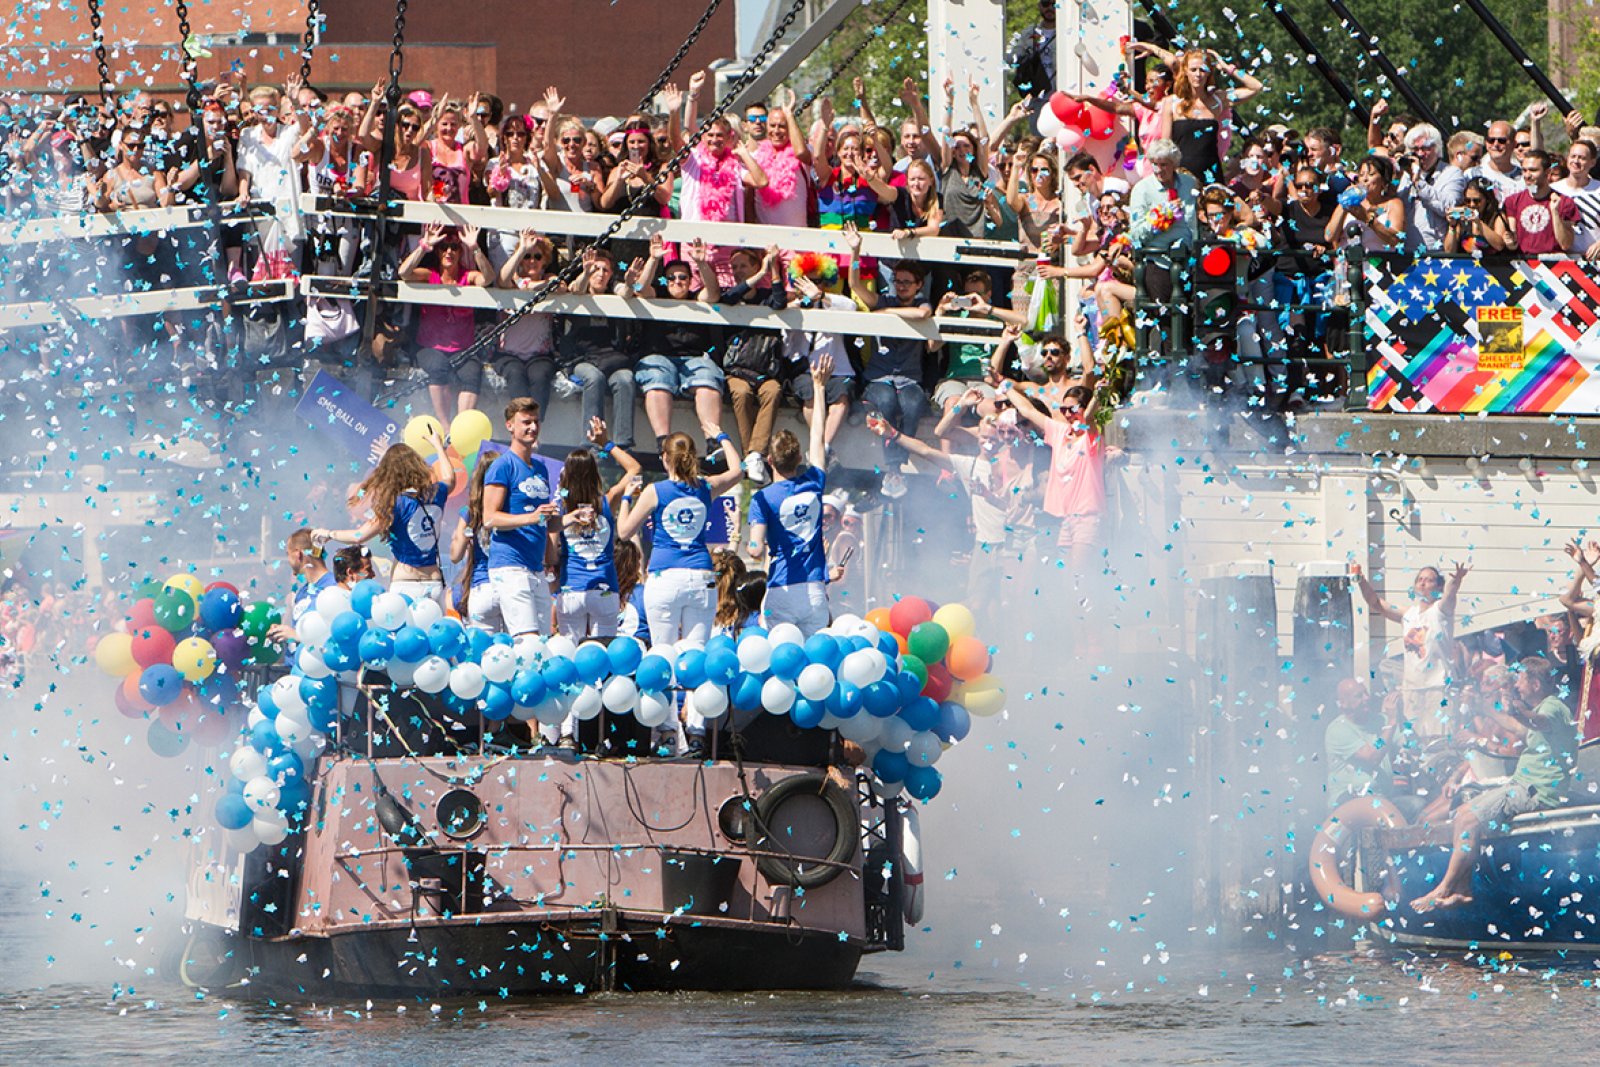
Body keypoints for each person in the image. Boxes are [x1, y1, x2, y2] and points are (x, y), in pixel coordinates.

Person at [1410, 657, 1576, 911]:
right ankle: (1463, 889)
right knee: (1463, 813)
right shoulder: (1546, 707)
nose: (1517, 686)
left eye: (1520, 681)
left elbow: (1535, 721)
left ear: (1534, 683)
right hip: (1522, 785)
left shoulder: (1552, 707)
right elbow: (1521, 729)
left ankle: (1444, 888)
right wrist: (1485, 707)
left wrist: (1515, 707)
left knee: (1468, 820)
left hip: (1534, 791)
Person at [617, 427, 745, 756]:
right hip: (701, 577)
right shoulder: (705, 487)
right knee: (696, 655)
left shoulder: (655, 491)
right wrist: (723, 437)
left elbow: (624, 531)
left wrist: (628, 496)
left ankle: (668, 732)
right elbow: (738, 471)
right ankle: (698, 732)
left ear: (664, 459)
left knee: (663, 653)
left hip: (664, 578)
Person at [871, 385, 1039, 620]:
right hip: (984, 544)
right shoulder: (968, 464)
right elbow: (927, 449)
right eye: (983, 438)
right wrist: (894, 434)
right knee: (978, 603)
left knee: (1007, 606)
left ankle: (1008, 648)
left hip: (1012, 544)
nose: (988, 443)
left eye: (994, 437)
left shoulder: (1013, 460)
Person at [313, 428, 456, 606]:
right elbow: (450, 478)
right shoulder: (436, 494)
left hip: (406, 586)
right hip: (434, 583)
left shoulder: (395, 504)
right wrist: (438, 446)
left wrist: (328, 533)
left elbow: (359, 536)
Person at [747, 355, 833, 635]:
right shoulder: (814, 482)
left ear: (770, 461)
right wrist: (819, 387)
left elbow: (756, 547)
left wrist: (754, 548)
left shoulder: (763, 499)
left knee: (781, 661)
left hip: (781, 588)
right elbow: (818, 435)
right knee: (816, 664)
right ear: (799, 458)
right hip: (814, 589)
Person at [1354, 561, 1470, 741]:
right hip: (1412, 688)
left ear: (1438, 586)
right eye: (1420, 579)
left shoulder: (1441, 610)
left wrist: (1457, 580)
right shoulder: (1408, 614)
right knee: (1413, 741)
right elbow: (1376, 603)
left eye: (1429, 580)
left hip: (1438, 687)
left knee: (1438, 740)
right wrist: (1360, 579)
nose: (1423, 583)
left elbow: (1450, 594)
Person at [633, 235, 728, 452]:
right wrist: (653, 260)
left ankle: (713, 441)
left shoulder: (697, 298)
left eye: (682, 277)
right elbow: (640, 287)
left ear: (689, 279)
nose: (677, 281)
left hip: (694, 359)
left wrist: (702, 263)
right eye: (671, 278)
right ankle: (663, 442)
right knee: (657, 376)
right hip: (659, 357)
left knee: (707, 376)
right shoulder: (657, 295)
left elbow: (713, 293)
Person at [554, 418, 643, 639]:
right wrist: (606, 443)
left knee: (569, 655)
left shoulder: (560, 508)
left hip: (571, 588)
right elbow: (635, 469)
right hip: (605, 589)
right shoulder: (607, 501)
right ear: (595, 474)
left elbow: (552, 549)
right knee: (602, 657)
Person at [482, 397, 563, 637]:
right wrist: (532, 518)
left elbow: (545, 522)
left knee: (543, 641)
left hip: (535, 567)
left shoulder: (540, 468)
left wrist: (572, 519)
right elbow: (489, 518)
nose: (533, 428)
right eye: (526, 422)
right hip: (510, 566)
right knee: (527, 641)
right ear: (510, 426)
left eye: (536, 422)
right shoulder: (502, 465)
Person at [400, 221, 492, 424]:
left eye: (454, 247)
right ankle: (446, 426)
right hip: (430, 347)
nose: (449, 251)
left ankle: (462, 427)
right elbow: (404, 273)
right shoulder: (430, 274)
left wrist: (474, 247)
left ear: (460, 252)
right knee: (438, 367)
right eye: (444, 247)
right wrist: (424, 245)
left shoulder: (467, 276)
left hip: (462, 348)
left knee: (472, 373)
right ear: (438, 252)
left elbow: (487, 278)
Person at [1157, 48, 1262, 185]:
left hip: (1211, 175)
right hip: (1182, 178)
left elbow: (1256, 87)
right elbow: (1165, 146)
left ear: (1208, 73)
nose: (1198, 74)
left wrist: (1226, 67)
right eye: (1193, 70)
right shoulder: (1172, 103)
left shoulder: (1218, 100)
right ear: (1186, 72)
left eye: (1202, 70)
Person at [1324, 679, 1399, 806]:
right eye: (1359, 696)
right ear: (1343, 703)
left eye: (1366, 693)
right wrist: (1391, 722)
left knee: (1417, 805)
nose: (1367, 698)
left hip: (1383, 799)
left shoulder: (1380, 720)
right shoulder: (1338, 729)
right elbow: (1373, 756)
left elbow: (1409, 745)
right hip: (1350, 801)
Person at [1396, 123, 1464, 253]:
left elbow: (1450, 206)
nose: (1420, 154)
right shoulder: (1405, 175)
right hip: (1404, 253)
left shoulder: (1452, 173)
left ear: (1437, 148)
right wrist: (1395, 176)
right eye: (1415, 149)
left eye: (1426, 148)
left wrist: (1418, 181)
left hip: (1435, 255)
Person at [1503, 149, 1578, 255]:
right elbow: (1512, 242)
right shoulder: (1512, 201)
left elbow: (1565, 244)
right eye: (1524, 170)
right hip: (1523, 265)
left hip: (1553, 265)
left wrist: (1555, 212)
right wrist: (1510, 242)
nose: (1527, 175)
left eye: (1533, 170)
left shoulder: (1564, 202)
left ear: (1547, 172)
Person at [1327, 154, 1406, 251]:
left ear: (1383, 181)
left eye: (1371, 174)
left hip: (1379, 263)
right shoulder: (1349, 201)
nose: (1365, 179)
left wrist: (1368, 220)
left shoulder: (1393, 204)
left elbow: (1396, 240)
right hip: (1350, 263)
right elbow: (1329, 236)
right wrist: (1345, 201)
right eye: (1361, 174)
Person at [269, 527, 336, 642]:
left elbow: (336, 636)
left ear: (298, 554)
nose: (288, 561)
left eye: (288, 554)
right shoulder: (302, 592)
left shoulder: (333, 588)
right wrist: (282, 631)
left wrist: (296, 636)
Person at [1442, 179, 1512, 255]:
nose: (1472, 205)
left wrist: (1478, 222)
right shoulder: (1461, 217)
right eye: (1468, 201)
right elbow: (1449, 251)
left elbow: (1499, 245)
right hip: (1467, 265)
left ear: (1487, 199)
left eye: (1477, 201)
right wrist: (1452, 226)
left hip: (1493, 265)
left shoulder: (1497, 216)